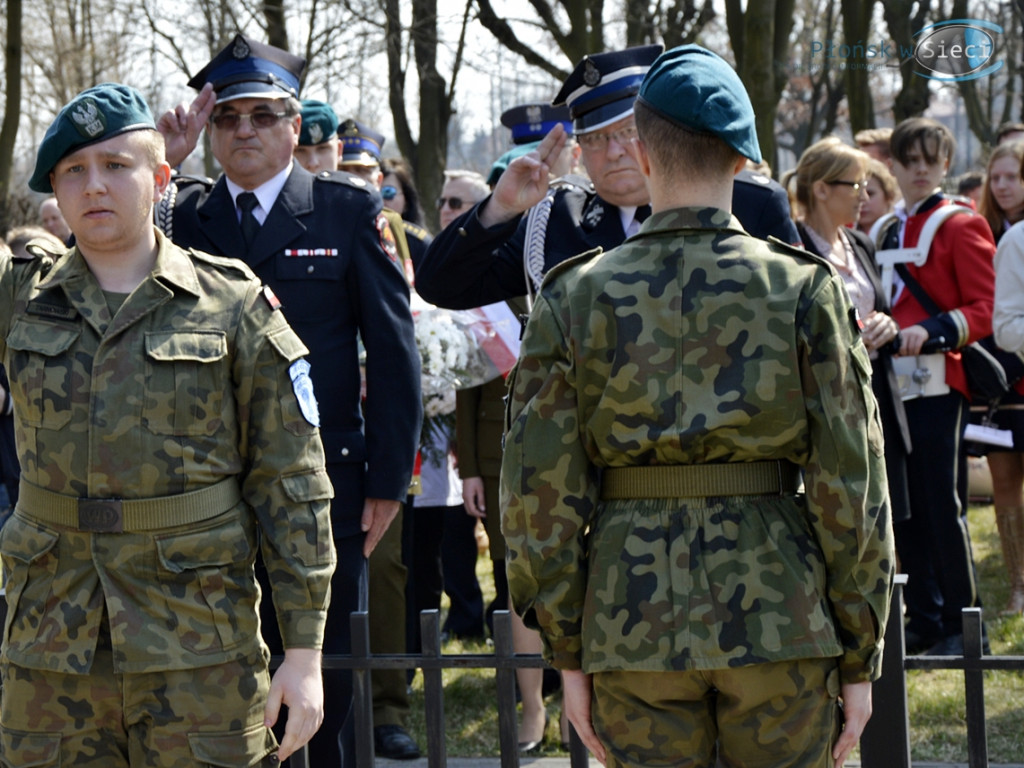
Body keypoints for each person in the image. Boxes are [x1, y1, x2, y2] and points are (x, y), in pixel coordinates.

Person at [500, 44, 894, 768]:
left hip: (628, 615)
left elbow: (537, 494)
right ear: (744, 161)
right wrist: (860, 651)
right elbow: (854, 485)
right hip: (782, 612)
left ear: (644, 156)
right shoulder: (804, 289)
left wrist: (567, 652)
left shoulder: (573, 293)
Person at [1, 83, 334, 766]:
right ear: (55, 196)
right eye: (74, 171)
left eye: (117, 166)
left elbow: (292, 484)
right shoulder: (20, 296)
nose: (95, 186)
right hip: (51, 645)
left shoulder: (233, 304)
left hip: (199, 648)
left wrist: (303, 654)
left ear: (160, 180)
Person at [156, 34, 422, 767]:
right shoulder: (182, 215)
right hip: (204, 481)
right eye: (229, 118)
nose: (245, 131)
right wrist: (164, 163)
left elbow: (396, 353)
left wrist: (389, 480)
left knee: (319, 675)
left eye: (264, 116)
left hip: (322, 483)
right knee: (219, 667)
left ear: (294, 127)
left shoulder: (345, 211)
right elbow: (109, 255)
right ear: (209, 132)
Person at [290, 102, 421, 760]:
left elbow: (397, 345)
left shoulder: (361, 217)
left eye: (330, 154)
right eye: (310, 151)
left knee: (373, 593)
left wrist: (392, 471)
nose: (320, 163)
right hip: (298, 453)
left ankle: (389, 704)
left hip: (352, 455)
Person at [876, 117, 995, 655]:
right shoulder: (885, 231)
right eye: (909, 160)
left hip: (940, 380)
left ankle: (963, 627)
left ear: (945, 164)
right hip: (890, 384)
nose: (920, 169)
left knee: (940, 505)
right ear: (893, 166)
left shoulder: (961, 223)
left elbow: (986, 308)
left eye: (930, 159)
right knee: (905, 506)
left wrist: (932, 329)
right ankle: (923, 617)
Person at [788, 137, 911, 528]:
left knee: (887, 514)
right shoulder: (793, 247)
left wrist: (888, 324)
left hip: (879, 397)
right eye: (856, 185)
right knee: (842, 515)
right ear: (822, 189)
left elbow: (883, 310)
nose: (864, 196)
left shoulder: (859, 242)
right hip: (829, 398)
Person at [978, 140, 1024, 616]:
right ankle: (1018, 585)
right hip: (995, 374)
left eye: (1013, 176)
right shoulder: (984, 230)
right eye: (997, 177)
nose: (1004, 185)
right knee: (1005, 479)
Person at [858, 158, 900, 236]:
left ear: (889, 195)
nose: (862, 200)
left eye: (870, 194)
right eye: (856, 193)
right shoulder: (843, 237)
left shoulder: (900, 233)